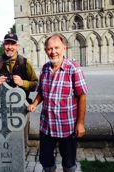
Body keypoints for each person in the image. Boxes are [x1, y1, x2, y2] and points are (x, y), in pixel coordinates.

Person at [28, 34, 88, 172]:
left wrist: (80, 123)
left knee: (69, 163)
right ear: (45, 51)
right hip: (47, 127)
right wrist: (34, 104)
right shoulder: (45, 68)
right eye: (49, 49)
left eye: (56, 48)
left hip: (67, 127)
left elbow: (82, 96)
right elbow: (42, 92)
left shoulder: (74, 68)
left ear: (64, 48)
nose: (53, 52)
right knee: (46, 162)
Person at [0, 32, 38, 144]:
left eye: (12, 44)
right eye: (7, 44)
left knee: (20, 144)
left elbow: (36, 85)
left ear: (17, 46)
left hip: (20, 110)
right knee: (3, 143)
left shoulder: (25, 63)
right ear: (3, 45)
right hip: (0, 112)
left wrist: (23, 83)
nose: (9, 47)